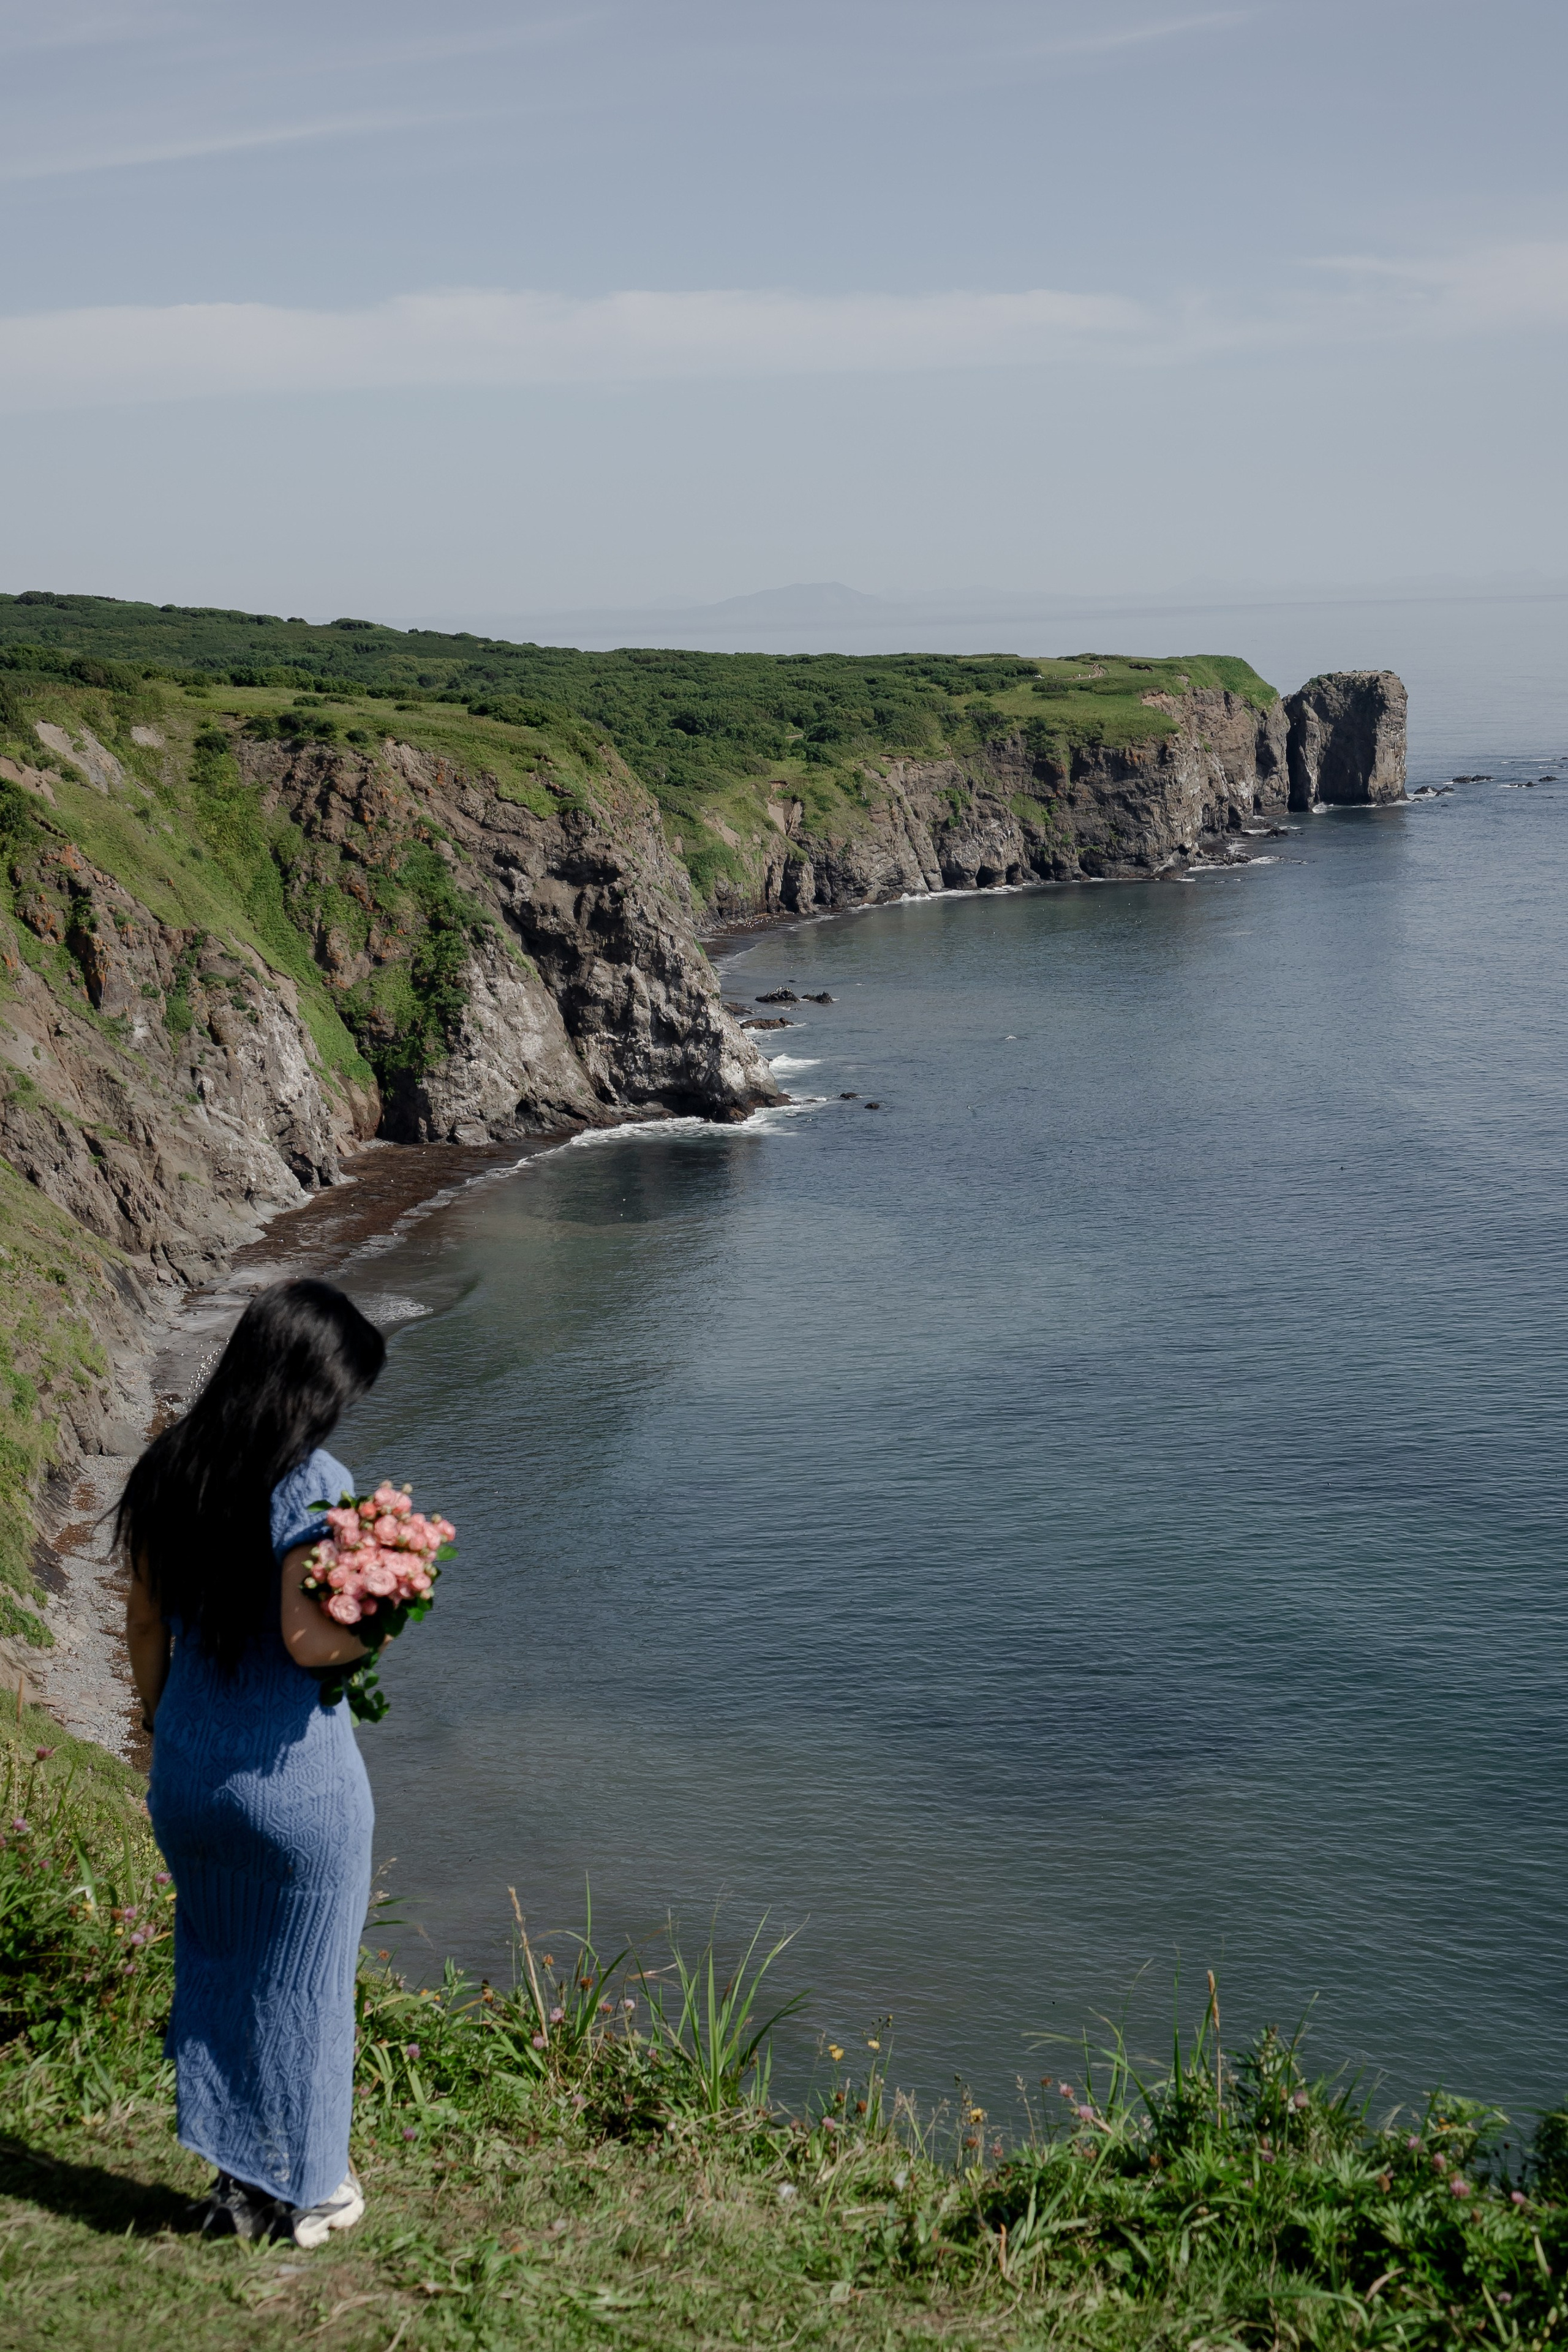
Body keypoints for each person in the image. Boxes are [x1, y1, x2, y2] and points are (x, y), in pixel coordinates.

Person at [118, 1277, 386, 2246]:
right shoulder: (312, 1484)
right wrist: (381, 1625)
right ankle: (309, 2192)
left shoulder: (165, 1469)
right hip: (293, 1790)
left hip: (188, 1778)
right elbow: (312, 1643)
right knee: (307, 1988)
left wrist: (171, 1733)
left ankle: (238, 2187)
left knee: (222, 1971)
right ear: (312, 1385)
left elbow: (146, 1626)